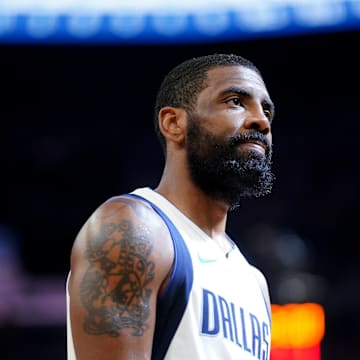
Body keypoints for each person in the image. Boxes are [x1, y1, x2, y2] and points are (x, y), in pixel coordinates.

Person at [67, 53, 275, 360]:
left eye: (267, 111)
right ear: (174, 123)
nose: (261, 121)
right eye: (235, 101)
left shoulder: (254, 282)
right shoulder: (134, 229)